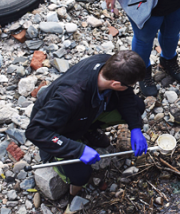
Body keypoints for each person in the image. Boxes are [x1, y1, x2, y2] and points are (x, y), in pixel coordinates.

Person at [25, 50, 148, 196]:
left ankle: (88, 131)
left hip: (84, 114)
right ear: (115, 84)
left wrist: (135, 127)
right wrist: (78, 150)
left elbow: (126, 94)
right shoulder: (69, 98)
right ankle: (72, 191)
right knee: (81, 174)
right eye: (129, 85)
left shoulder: (111, 63)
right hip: (59, 130)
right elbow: (36, 131)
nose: (130, 88)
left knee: (137, 107)